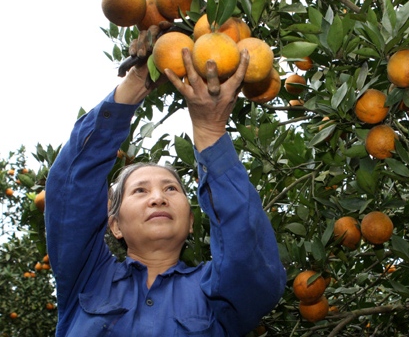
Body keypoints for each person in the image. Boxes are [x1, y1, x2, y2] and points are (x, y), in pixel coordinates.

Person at [45, 47, 287, 336]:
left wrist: (210, 133)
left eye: (171, 188)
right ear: (115, 225)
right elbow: (71, 188)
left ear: (190, 222)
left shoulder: (217, 295)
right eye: (139, 191)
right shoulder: (87, 278)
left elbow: (249, 255)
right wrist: (135, 83)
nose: (158, 198)